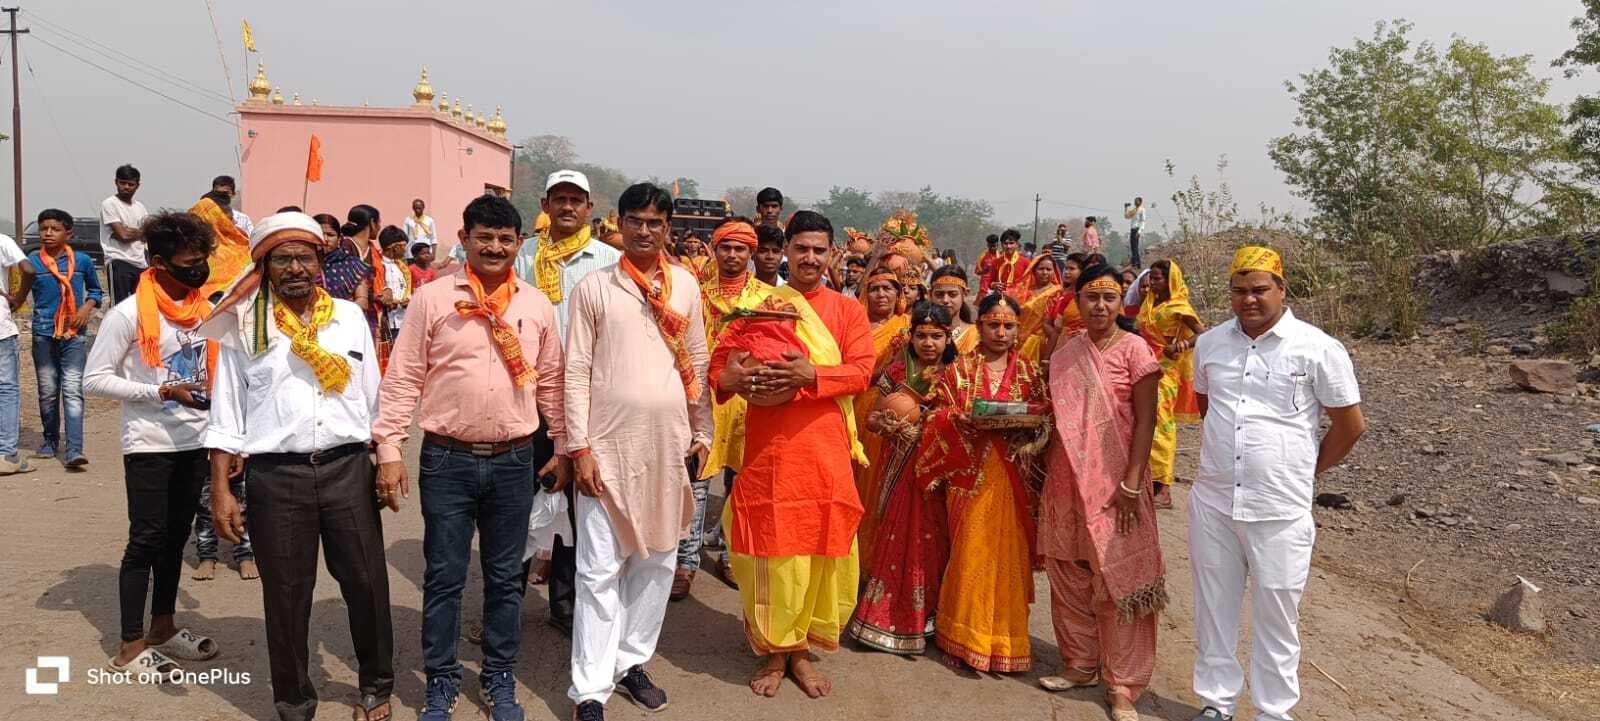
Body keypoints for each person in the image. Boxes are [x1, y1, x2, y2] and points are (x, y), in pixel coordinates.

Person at [373, 195, 568, 721]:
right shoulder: (433, 299)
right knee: (444, 575)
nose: (495, 247)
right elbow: (404, 376)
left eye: (505, 239)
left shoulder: (536, 305)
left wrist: (563, 446)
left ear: (519, 243)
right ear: (464, 239)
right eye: (484, 237)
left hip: (513, 460)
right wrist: (389, 448)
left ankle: (499, 676)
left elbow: (552, 383)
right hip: (447, 460)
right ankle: (441, 679)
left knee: (505, 576)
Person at [201, 212, 393, 721]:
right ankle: (293, 702)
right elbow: (225, 416)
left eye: (304, 257)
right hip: (276, 477)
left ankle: (376, 685)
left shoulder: (348, 318)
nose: (294, 268)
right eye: (282, 259)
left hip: (348, 469)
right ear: (263, 266)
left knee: (367, 583)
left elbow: (375, 400)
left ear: (319, 261)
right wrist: (221, 490)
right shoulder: (245, 327)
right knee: (286, 596)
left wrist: (387, 459)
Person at [1188, 247, 1365, 721]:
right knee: (1213, 608)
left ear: (1282, 290)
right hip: (1214, 502)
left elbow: (1350, 426)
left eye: (1260, 289)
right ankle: (1216, 703)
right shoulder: (1210, 345)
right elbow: (1209, 409)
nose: (1249, 299)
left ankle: (1272, 711)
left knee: (1278, 615)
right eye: (1239, 290)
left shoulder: (1317, 348)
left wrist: (1304, 471)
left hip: (1281, 509)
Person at [564, 183, 712, 720]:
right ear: (618, 224)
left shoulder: (686, 287)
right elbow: (575, 370)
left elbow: (697, 361)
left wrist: (703, 434)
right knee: (597, 572)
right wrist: (578, 447)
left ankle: (631, 663)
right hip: (606, 450)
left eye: (654, 222)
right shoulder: (594, 288)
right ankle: (589, 689)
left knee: (657, 563)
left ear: (667, 228)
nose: (644, 231)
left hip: (668, 448)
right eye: (635, 221)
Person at [709, 210, 871, 699]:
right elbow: (721, 366)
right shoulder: (761, 305)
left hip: (824, 448)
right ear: (783, 251)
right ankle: (774, 651)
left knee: (819, 549)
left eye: (820, 250)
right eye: (801, 248)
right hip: (772, 450)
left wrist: (812, 375)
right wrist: (731, 379)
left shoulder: (847, 311)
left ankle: (800, 651)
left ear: (832, 254)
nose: (810, 258)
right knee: (771, 550)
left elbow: (862, 371)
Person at [84, 211, 223, 682]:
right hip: (149, 443)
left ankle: (163, 627)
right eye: (188, 262)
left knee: (176, 536)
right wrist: (159, 391)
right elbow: (94, 379)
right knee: (146, 539)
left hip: (196, 440)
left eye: (202, 259)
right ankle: (129, 646)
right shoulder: (127, 315)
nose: (198, 269)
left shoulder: (206, 311)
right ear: (159, 262)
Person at [1037, 265, 1165, 721]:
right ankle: (1079, 664)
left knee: (1118, 579)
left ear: (1120, 302)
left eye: (1110, 297)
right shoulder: (1066, 351)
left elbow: (1147, 421)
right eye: (1091, 297)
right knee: (1068, 573)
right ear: (1077, 301)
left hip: (1117, 483)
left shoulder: (1136, 350)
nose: (1100, 306)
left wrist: (1132, 481)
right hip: (1065, 479)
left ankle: (1122, 685)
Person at [913, 293, 1048, 674]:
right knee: (970, 551)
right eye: (993, 325)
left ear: (1018, 330)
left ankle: (1006, 641)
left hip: (1013, 478)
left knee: (1009, 556)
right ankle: (961, 636)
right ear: (980, 326)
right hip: (968, 475)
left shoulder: (1029, 372)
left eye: (1008, 326)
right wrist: (958, 421)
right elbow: (935, 416)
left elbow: (1044, 416)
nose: (1000, 332)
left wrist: (1030, 425)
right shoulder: (960, 369)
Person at [515, 169, 620, 637]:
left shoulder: (609, 261)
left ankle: (565, 603)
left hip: (587, 399)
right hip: (529, 396)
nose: (567, 207)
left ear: (589, 208)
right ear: (546, 204)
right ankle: (506, 601)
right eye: (559, 198)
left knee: (579, 505)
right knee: (518, 500)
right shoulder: (523, 256)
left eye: (576, 200)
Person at [845, 301, 955, 655]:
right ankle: (884, 619)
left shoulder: (956, 374)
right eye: (922, 336)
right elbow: (873, 418)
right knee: (894, 533)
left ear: (948, 337)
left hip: (936, 473)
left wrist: (930, 423)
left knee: (933, 542)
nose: (928, 343)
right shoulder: (896, 370)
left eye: (936, 336)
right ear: (911, 337)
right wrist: (888, 424)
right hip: (897, 466)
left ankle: (928, 616)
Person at [690, 218, 773, 596]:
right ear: (715, 249)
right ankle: (685, 559)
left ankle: (730, 555)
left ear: (750, 253)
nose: (733, 255)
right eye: (726, 247)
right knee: (696, 480)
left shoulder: (766, 299)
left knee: (741, 482)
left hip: (747, 400)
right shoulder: (695, 293)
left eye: (741, 248)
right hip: (703, 396)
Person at [28, 210, 102, 467]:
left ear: (68, 234)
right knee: (48, 391)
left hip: (74, 334)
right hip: (43, 333)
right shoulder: (33, 262)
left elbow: (96, 291)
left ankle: (74, 449)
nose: (48, 233)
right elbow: (21, 291)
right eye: (43, 228)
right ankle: (50, 439)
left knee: (72, 390)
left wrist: (85, 309)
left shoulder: (82, 261)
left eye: (55, 229)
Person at [849, 263, 908, 568]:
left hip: (890, 411)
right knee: (852, 480)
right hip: (853, 406)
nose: (881, 294)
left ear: (899, 294)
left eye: (888, 288)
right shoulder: (853, 324)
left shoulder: (907, 326)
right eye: (874, 288)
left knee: (880, 482)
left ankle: (875, 560)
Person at [1138, 259, 1205, 509]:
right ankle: (1146, 480)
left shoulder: (1179, 306)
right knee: (1142, 421)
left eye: (1158, 279)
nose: (1153, 283)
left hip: (1165, 370)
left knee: (1161, 424)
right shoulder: (1149, 303)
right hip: (1143, 365)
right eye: (1151, 278)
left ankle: (1163, 487)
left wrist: (1182, 345)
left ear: (1170, 281)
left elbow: (1203, 333)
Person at [0, 227, 33, 475]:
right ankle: (6, 454)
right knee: (6, 388)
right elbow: (29, 270)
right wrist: (20, 298)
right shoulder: (2, 241)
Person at [189, 192, 253, 300]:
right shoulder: (237, 249)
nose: (234, 222)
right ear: (218, 221)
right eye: (229, 219)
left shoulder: (187, 254)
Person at [101, 164, 149, 303]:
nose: (126, 187)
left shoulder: (140, 207)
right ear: (116, 182)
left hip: (140, 263)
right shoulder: (110, 204)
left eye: (130, 184)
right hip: (119, 260)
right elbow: (123, 236)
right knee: (119, 305)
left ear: (137, 185)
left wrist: (131, 231)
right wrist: (138, 233)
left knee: (141, 305)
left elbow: (148, 233)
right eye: (122, 183)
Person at [314, 212, 373, 310]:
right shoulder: (302, 264)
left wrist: (336, 311)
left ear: (339, 238)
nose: (325, 239)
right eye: (320, 234)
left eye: (330, 235)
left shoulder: (353, 265)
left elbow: (362, 301)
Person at [373, 226, 413, 372]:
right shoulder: (377, 266)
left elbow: (406, 290)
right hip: (384, 321)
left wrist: (408, 300)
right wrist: (387, 301)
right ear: (394, 247)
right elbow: (376, 291)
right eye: (403, 247)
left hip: (402, 321)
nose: (405, 250)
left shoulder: (402, 268)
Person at [1015, 253, 1063, 361]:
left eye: (1048, 269)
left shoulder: (1057, 292)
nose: (1045, 272)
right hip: (1017, 341)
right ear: (1033, 270)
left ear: (1054, 272)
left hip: (1043, 342)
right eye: (1041, 269)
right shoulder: (1023, 291)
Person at [1042, 254, 1089, 358]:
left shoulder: (1087, 297)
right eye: (1066, 268)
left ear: (1083, 272)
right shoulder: (1057, 294)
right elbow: (1046, 323)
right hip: (1056, 344)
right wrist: (1061, 336)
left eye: (1072, 269)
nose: (1067, 272)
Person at [927, 265, 979, 355]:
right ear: (930, 295)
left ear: (965, 294)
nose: (945, 300)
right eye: (939, 294)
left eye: (952, 294)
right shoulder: (919, 334)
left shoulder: (977, 335)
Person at [985, 229, 1026, 296]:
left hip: (1018, 299)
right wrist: (994, 285)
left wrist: (1013, 291)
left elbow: (1029, 284)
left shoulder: (1025, 263)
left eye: (1011, 243)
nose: (1008, 246)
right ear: (1001, 244)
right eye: (1005, 243)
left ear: (1017, 244)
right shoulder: (996, 262)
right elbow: (990, 283)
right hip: (1000, 298)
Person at [1123, 198, 1147, 269]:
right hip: (1132, 229)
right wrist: (1126, 208)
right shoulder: (1134, 210)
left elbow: (1143, 221)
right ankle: (1136, 263)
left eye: (1137, 201)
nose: (1135, 202)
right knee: (1133, 247)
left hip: (1137, 229)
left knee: (1135, 247)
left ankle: (1136, 263)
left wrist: (1139, 231)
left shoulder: (1142, 210)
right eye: (1135, 201)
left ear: (1140, 202)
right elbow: (1126, 216)